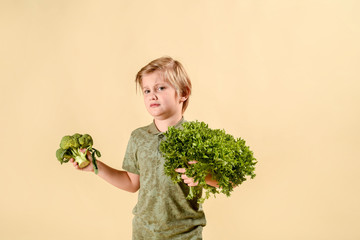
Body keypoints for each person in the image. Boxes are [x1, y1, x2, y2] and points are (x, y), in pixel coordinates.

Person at [71, 56, 218, 239]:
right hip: (144, 233)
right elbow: (132, 183)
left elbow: (227, 181)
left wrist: (204, 176)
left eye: (161, 88)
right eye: (147, 91)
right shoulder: (139, 138)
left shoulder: (197, 137)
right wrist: (95, 166)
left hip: (186, 234)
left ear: (183, 93)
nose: (152, 95)